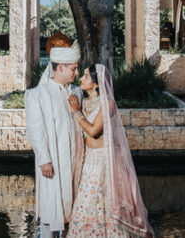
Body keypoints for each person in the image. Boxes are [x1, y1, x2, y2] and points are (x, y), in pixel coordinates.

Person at [66, 65, 154, 237]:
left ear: (96, 84)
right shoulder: (85, 103)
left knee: (103, 203)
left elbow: (93, 130)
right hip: (89, 161)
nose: (81, 79)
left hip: (104, 162)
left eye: (85, 76)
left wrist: (76, 113)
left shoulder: (108, 104)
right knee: (86, 204)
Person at [25, 41, 84, 238]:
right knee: (51, 208)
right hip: (53, 162)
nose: (76, 73)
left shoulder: (76, 92)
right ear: (60, 67)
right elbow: (35, 130)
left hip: (75, 160)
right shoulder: (36, 95)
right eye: (73, 69)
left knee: (72, 208)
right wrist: (44, 160)